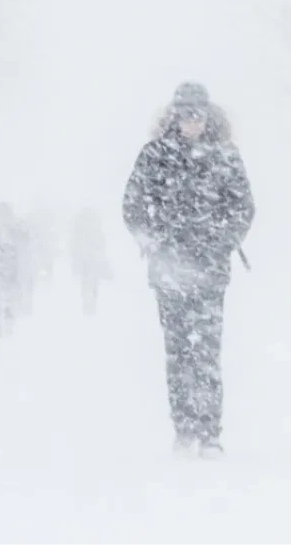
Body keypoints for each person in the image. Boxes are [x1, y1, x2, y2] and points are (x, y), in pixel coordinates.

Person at [122, 82, 255, 457]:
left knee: (207, 353)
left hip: (210, 272)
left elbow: (244, 208)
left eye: (198, 114)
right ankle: (184, 428)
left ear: (208, 116)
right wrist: (153, 242)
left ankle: (210, 432)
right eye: (186, 114)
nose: (192, 121)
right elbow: (132, 206)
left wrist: (222, 240)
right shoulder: (154, 156)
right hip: (169, 273)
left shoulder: (225, 155)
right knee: (178, 352)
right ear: (174, 116)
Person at [69, 207, 112, 315]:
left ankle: (88, 305)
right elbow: (101, 245)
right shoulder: (95, 229)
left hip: (86, 260)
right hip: (91, 260)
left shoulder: (80, 228)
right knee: (91, 282)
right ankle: (90, 305)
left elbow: (75, 245)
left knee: (87, 282)